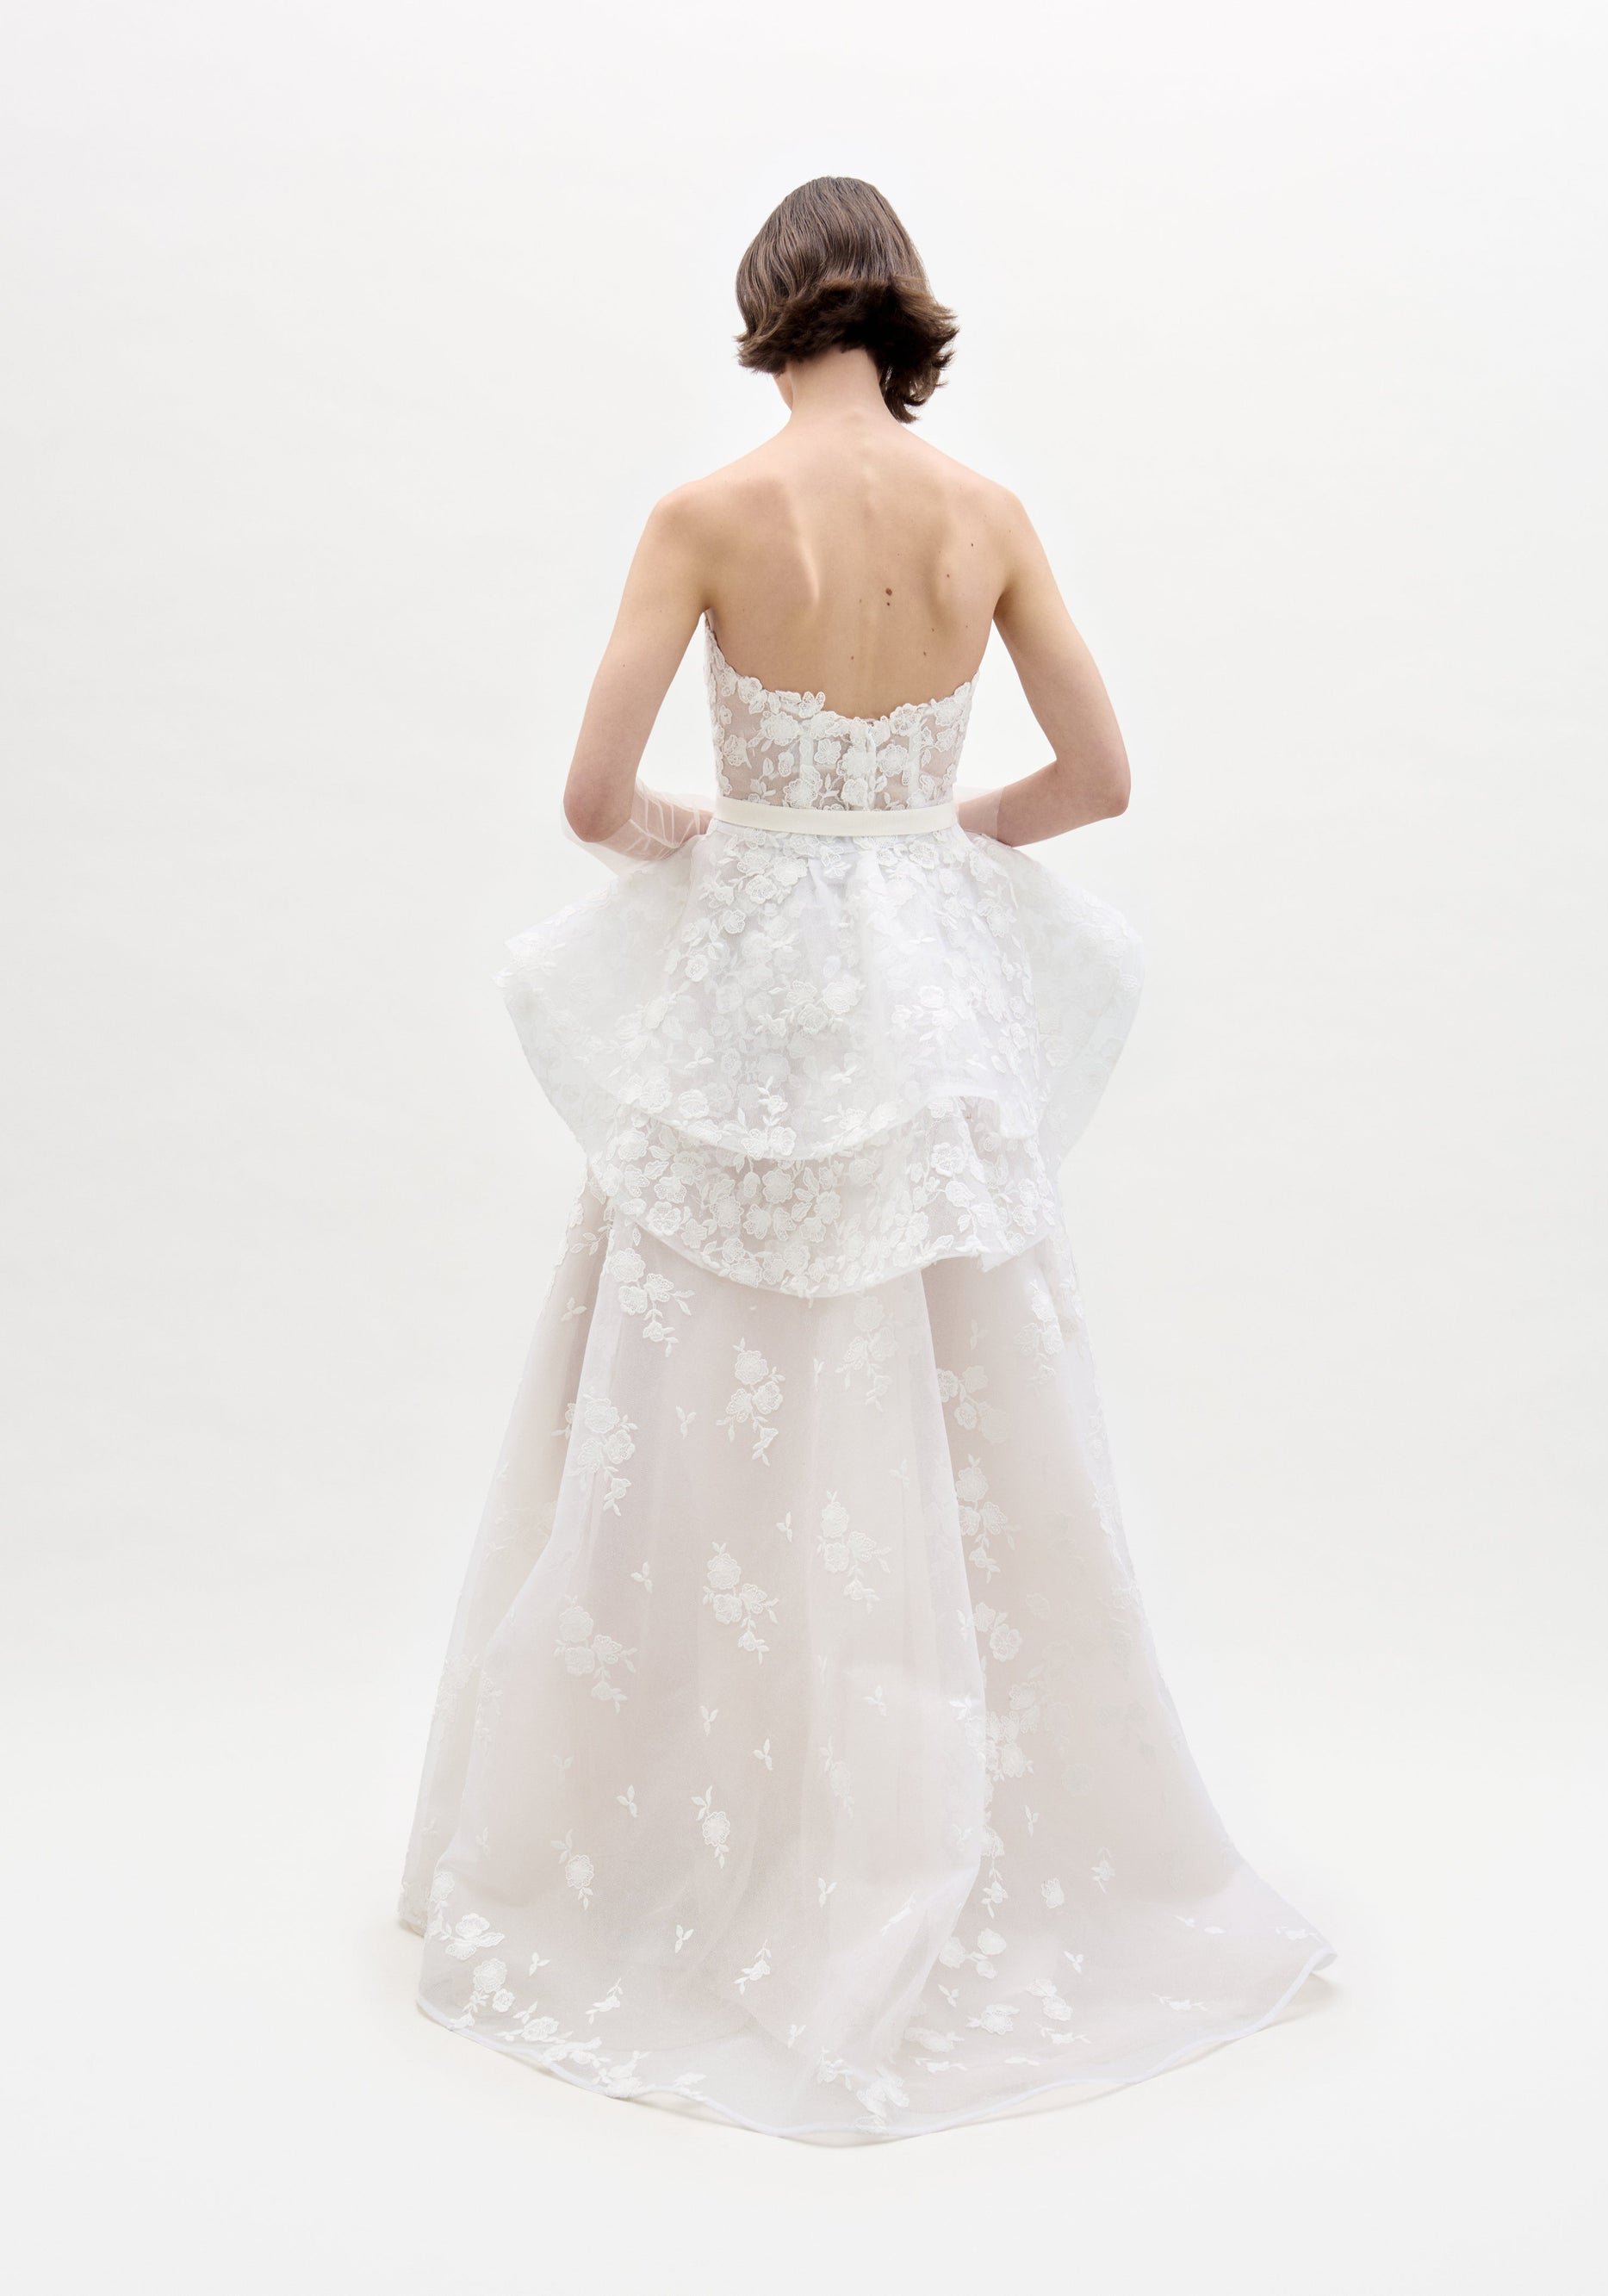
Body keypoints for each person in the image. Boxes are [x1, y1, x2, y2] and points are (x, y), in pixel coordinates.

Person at [399, 176, 1334, 2142]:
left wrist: (729, 856)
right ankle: (958, 1838)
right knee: (962, 1394)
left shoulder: (706, 515)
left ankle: (706, 1843)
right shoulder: (984, 517)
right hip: (927, 998)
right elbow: (1099, 779)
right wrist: (939, 839)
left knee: (700, 1396)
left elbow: (590, 798)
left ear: (763, 311)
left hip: (758, 1001)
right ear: (905, 319)